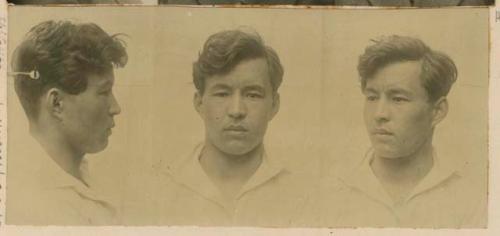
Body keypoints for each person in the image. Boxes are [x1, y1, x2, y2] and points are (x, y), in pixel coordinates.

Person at [301, 35, 486, 228]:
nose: (379, 114)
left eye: (398, 99)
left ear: (437, 111)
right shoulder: (326, 197)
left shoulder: (474, 202)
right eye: (372, 97)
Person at [142, 28, 309, 226]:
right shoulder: (157, 192)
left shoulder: (304, 196)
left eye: (252, 94)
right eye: (222, 93)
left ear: (274, 105)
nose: (237, 110)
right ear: (199, 103)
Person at [7, 20, 127, 225]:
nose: (116, 108)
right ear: (57, 103)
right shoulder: (36, 208)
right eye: (104, 92)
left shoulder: (81, 178)